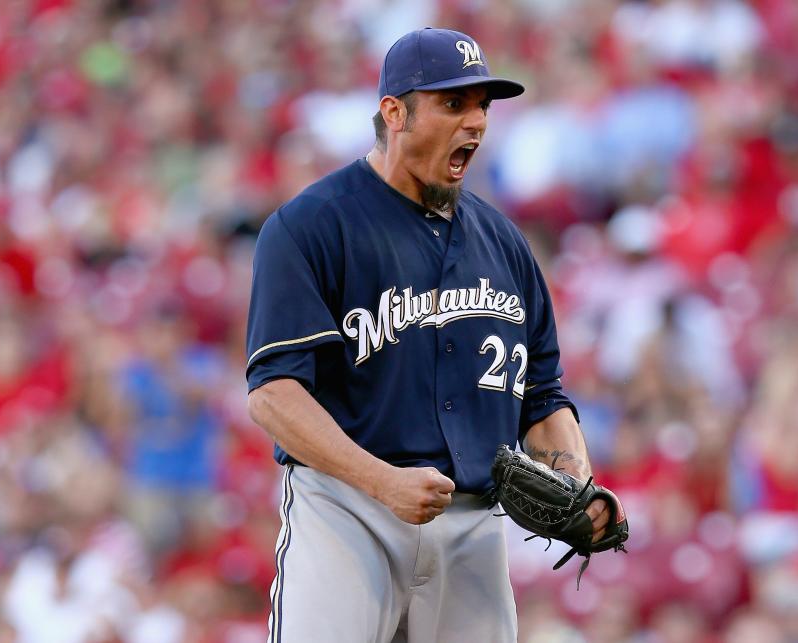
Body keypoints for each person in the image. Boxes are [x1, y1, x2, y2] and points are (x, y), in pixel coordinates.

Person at [245, 27, 623, 643]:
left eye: (483, 106)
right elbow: (273, 395)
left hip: (472, 526)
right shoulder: (311, 226)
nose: (475, 122)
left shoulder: (505, 245)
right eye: (453, 104)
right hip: (347, 512)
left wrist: (578, 487)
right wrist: (381, 481)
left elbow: (543, 398)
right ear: (395, 113)